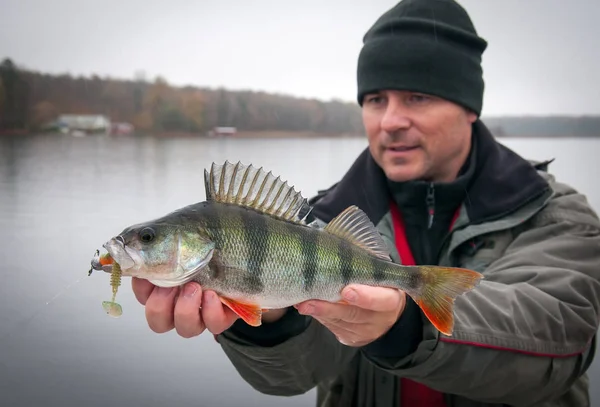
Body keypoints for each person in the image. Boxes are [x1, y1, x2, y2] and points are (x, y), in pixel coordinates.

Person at [131, 0, 600, 405]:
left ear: (470, 106)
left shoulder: (555, 214)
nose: (391, 120)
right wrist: (266, 320)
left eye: (417, 97)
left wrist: (404, 325)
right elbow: (294, 377)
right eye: (376, 99)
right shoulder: (319, 222)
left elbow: (561, 338)